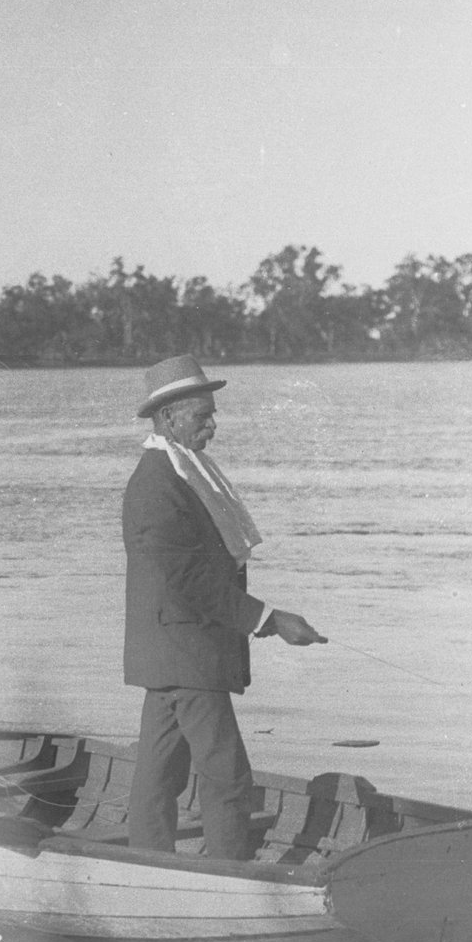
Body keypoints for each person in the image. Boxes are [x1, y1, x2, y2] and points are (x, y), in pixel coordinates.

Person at [123, 353, 325, 859]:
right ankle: (231, 876)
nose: (213, 423)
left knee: (159, 772)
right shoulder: (158, 483)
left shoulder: (181, 472)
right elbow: (187, 581)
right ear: (168, 418)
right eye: (202, 414)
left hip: (170, 652)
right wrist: (268, 619)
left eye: (212, 413)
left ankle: (148, 864)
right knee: (228, 778)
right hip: (187, 651)